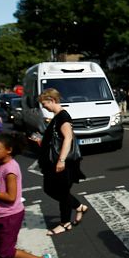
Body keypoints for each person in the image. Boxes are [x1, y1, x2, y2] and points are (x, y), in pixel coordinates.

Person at [37, 88, 88, 235]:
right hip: (53, 161)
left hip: (63, 162)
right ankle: (79, 207)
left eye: (44, 104)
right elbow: (56, 139)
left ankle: (65, 223)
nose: (44, 107)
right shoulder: (56, 116)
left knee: (61, 192)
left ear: (52, 100)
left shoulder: (63, 116)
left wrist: (61, 160)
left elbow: (68, 138)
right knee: (52, 189)